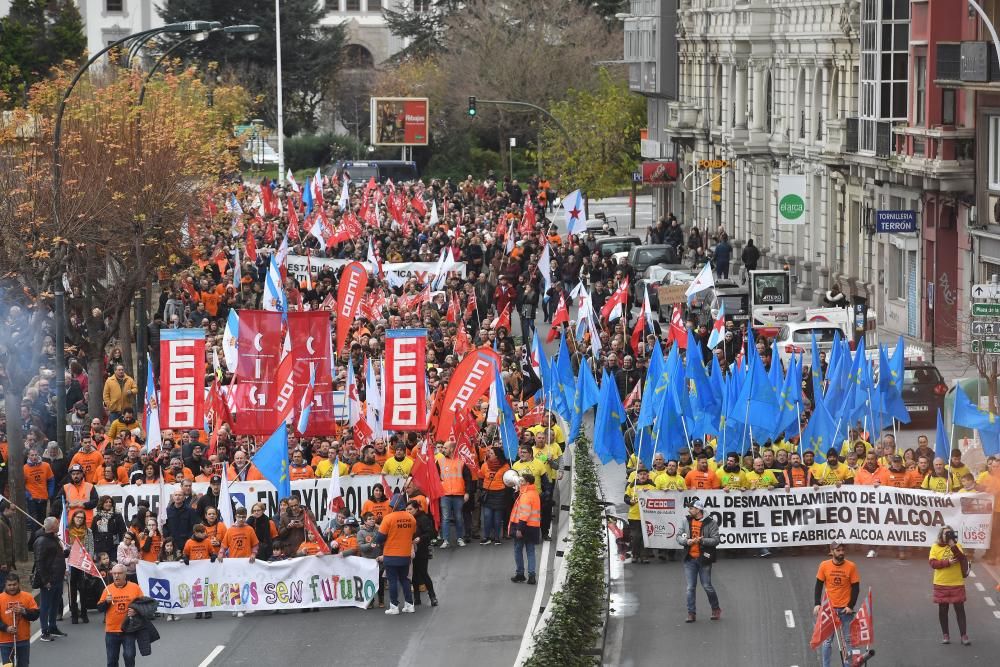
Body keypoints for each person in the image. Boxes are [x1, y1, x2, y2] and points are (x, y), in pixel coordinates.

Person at [813, 542, 860, 667]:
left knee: (848, 641)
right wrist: (817, 604)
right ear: (832, 552)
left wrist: (850, 606)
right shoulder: (824, 565)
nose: (841, 553)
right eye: (838, 550)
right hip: (830, 610)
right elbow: (818, 585)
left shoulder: (851, 566)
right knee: (827, 641)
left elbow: (856, 588)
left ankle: (848, 665)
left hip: (845, 610)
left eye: (842, 550)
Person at [677, 499, 721, 622]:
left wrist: (702, 540)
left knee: (707, 586)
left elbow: (716, 540)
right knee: (690, 588)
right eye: (689, 508)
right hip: (689, 559)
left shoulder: (711, 523)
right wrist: (687, 541)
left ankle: (715, 609)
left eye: (691, 508)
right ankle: (691, 613)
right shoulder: (686, 521)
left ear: (698, 510)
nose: (689, 510)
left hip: (704, 559)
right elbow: (678, 536)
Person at [375, 494, 417, 615]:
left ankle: (394, 606)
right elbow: (413, 534)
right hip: (405, 554)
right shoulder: (411, 518)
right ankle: (410, 605)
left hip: (391, 554)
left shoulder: (388, 518)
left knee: (392, 580)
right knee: (405, 580)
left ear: (393, 505)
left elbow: (380, 537)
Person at [929, 525, 970, 645]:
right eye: (946, 534)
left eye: (950, 533)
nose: (948, 536)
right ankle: (945, 635)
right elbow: (933, 563)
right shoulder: (935, 547)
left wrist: (953, 545)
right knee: (943, 610)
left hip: (956, 583)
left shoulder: (957, 546)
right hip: (941, 583)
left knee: (960, 610)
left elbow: (962, 558)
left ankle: (964, 636)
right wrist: (948, 562)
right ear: (940, 535)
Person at [97, 564, 143, 667]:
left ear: (125, 574)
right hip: (111, 631)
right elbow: (99, 608)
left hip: (129, 629)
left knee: (129, 656)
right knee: (112, 661)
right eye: (114, 573)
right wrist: (106, 602)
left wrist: (136, 611)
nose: (116, 576)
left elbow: (143, 605)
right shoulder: (107, 589)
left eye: (119, 573)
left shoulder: (134, 588)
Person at [32, 516, 67, 642]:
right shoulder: (41, 541)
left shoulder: (54, 538)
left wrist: (66, 553)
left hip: (58, 577)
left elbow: (56, 556)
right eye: (57, 524)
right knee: (45, 605)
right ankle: (44, 631)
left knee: (55, 603)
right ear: (53, 527)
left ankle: (52, 627)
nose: (59, 525)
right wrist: (45, 580)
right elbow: (40, 562)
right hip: (49, 580)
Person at [437, 440, 471, 548]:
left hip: (458, 494)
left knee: (458, 518)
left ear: (451, 449)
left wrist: (467, 492)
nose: (443, 450)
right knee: (446, 518)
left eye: (445, 448)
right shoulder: (440, 461)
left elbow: (468, 479)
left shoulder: (461, 462)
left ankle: (460, 538)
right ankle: (445, 540)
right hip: (445, 494)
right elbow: (435, 479)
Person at [0, 572, 39, 666]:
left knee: (23, 664)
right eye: (9, 585)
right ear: (5, 585)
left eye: (14, 584)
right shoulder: (0, 598)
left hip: (23, 639)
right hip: (5, 641)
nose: (12, 587)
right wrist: (6, 628)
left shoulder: (27, 597)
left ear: (19, 584)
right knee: (8, 665)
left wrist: (24, 611)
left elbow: (35, 615)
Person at [510, 472, 541, 585]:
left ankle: (520, 574)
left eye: (522, 481)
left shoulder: (526, 495)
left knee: (518, 550)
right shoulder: (534, 493)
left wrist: (519, 529)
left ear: (527, 482)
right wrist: (518, 491)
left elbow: (524, 513)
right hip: (533, 527)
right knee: (531, 552)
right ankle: (532, 576)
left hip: (523, 527)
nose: (519, 482)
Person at [67, 509, 95, 624]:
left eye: (81, 518)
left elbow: (91, 547)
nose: (79, 519)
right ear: (73, 518)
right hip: (72, 563)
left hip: (83, 562)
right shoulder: (68, 531)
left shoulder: (88, 531)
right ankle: (74, 614)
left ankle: (84, 613)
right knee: (72, 589)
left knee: (83, 589)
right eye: (77, 517)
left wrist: (90, 560)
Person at [408, 500, 438, 607]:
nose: (408, 511)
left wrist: (420, 538)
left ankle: (433, 596)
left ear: (416, 508)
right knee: (414, 575)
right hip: (411, 551)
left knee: (424, 573)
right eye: (407, 509)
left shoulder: (423, 518)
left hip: (421, 550)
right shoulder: (408, 519)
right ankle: (417, 598)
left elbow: (432, 533)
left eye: (410, 509)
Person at [625, 467, 656, 564]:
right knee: (635, 537)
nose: (643, 476)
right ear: (637, 476)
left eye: (644, 474)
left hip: (648, 516)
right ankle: (635, 555)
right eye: (641, 474)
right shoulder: (631, 485)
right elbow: (626, 498)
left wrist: (650, 493)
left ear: (648, 475)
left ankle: (644, 556)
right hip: (634, 516)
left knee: (645, 537)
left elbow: (658, 498)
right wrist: (630, 501)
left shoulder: (652, 486)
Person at [92, 496, 127, 565]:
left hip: (113, 547)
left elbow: (123, 531)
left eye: (110, 502)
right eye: (106, 502)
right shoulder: (97, 516)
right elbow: (93, 532)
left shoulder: (117, 516)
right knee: (101, 568)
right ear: (102, 503)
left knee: (114, 566)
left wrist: (122, 545)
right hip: (100, 547)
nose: (108, 504)